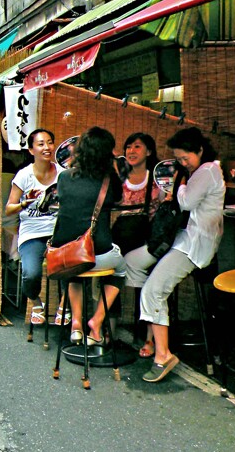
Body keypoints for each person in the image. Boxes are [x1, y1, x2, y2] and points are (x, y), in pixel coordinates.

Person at [124, 127, 225, 383]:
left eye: (185, 158)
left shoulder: (208, 170)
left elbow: (187, 202)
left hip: (193, 245)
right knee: (134, 263)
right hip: (183, 240)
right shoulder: (202, 170)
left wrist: (177, 190)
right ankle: (148, 333)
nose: (182, 163)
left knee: (153, 291)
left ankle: (163, 354)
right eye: (178, 159)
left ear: (199, 150)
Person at [50, 127, 127, 344]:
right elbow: (117, 199)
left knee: (74, 272)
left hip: (68, 256)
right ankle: (97, 320)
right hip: (99, 254)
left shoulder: (64, 178)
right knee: (121, 271)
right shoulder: (107, 179)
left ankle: (76, 324)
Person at [111, 132, 164, 357]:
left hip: (146, 241)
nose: (131, 151)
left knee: (153, 281)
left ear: (149, 152)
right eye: (128, 147)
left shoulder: (158, 179)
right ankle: (109, 332)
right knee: (110, 274)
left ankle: (150, 338)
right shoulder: (118, 177)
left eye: (138, 147)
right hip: (121, 237)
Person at [3, 128, 60, 325]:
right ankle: (36, 302)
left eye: (50, 142)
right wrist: (24, 203)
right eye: (41, 144)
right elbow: (9, 209)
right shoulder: (24, 175)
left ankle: (64, 305)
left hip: (59, 232)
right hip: (32, 234)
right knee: (31, 273)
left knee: (74, 267)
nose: (47, 147)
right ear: (31, 150)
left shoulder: (63, 173)